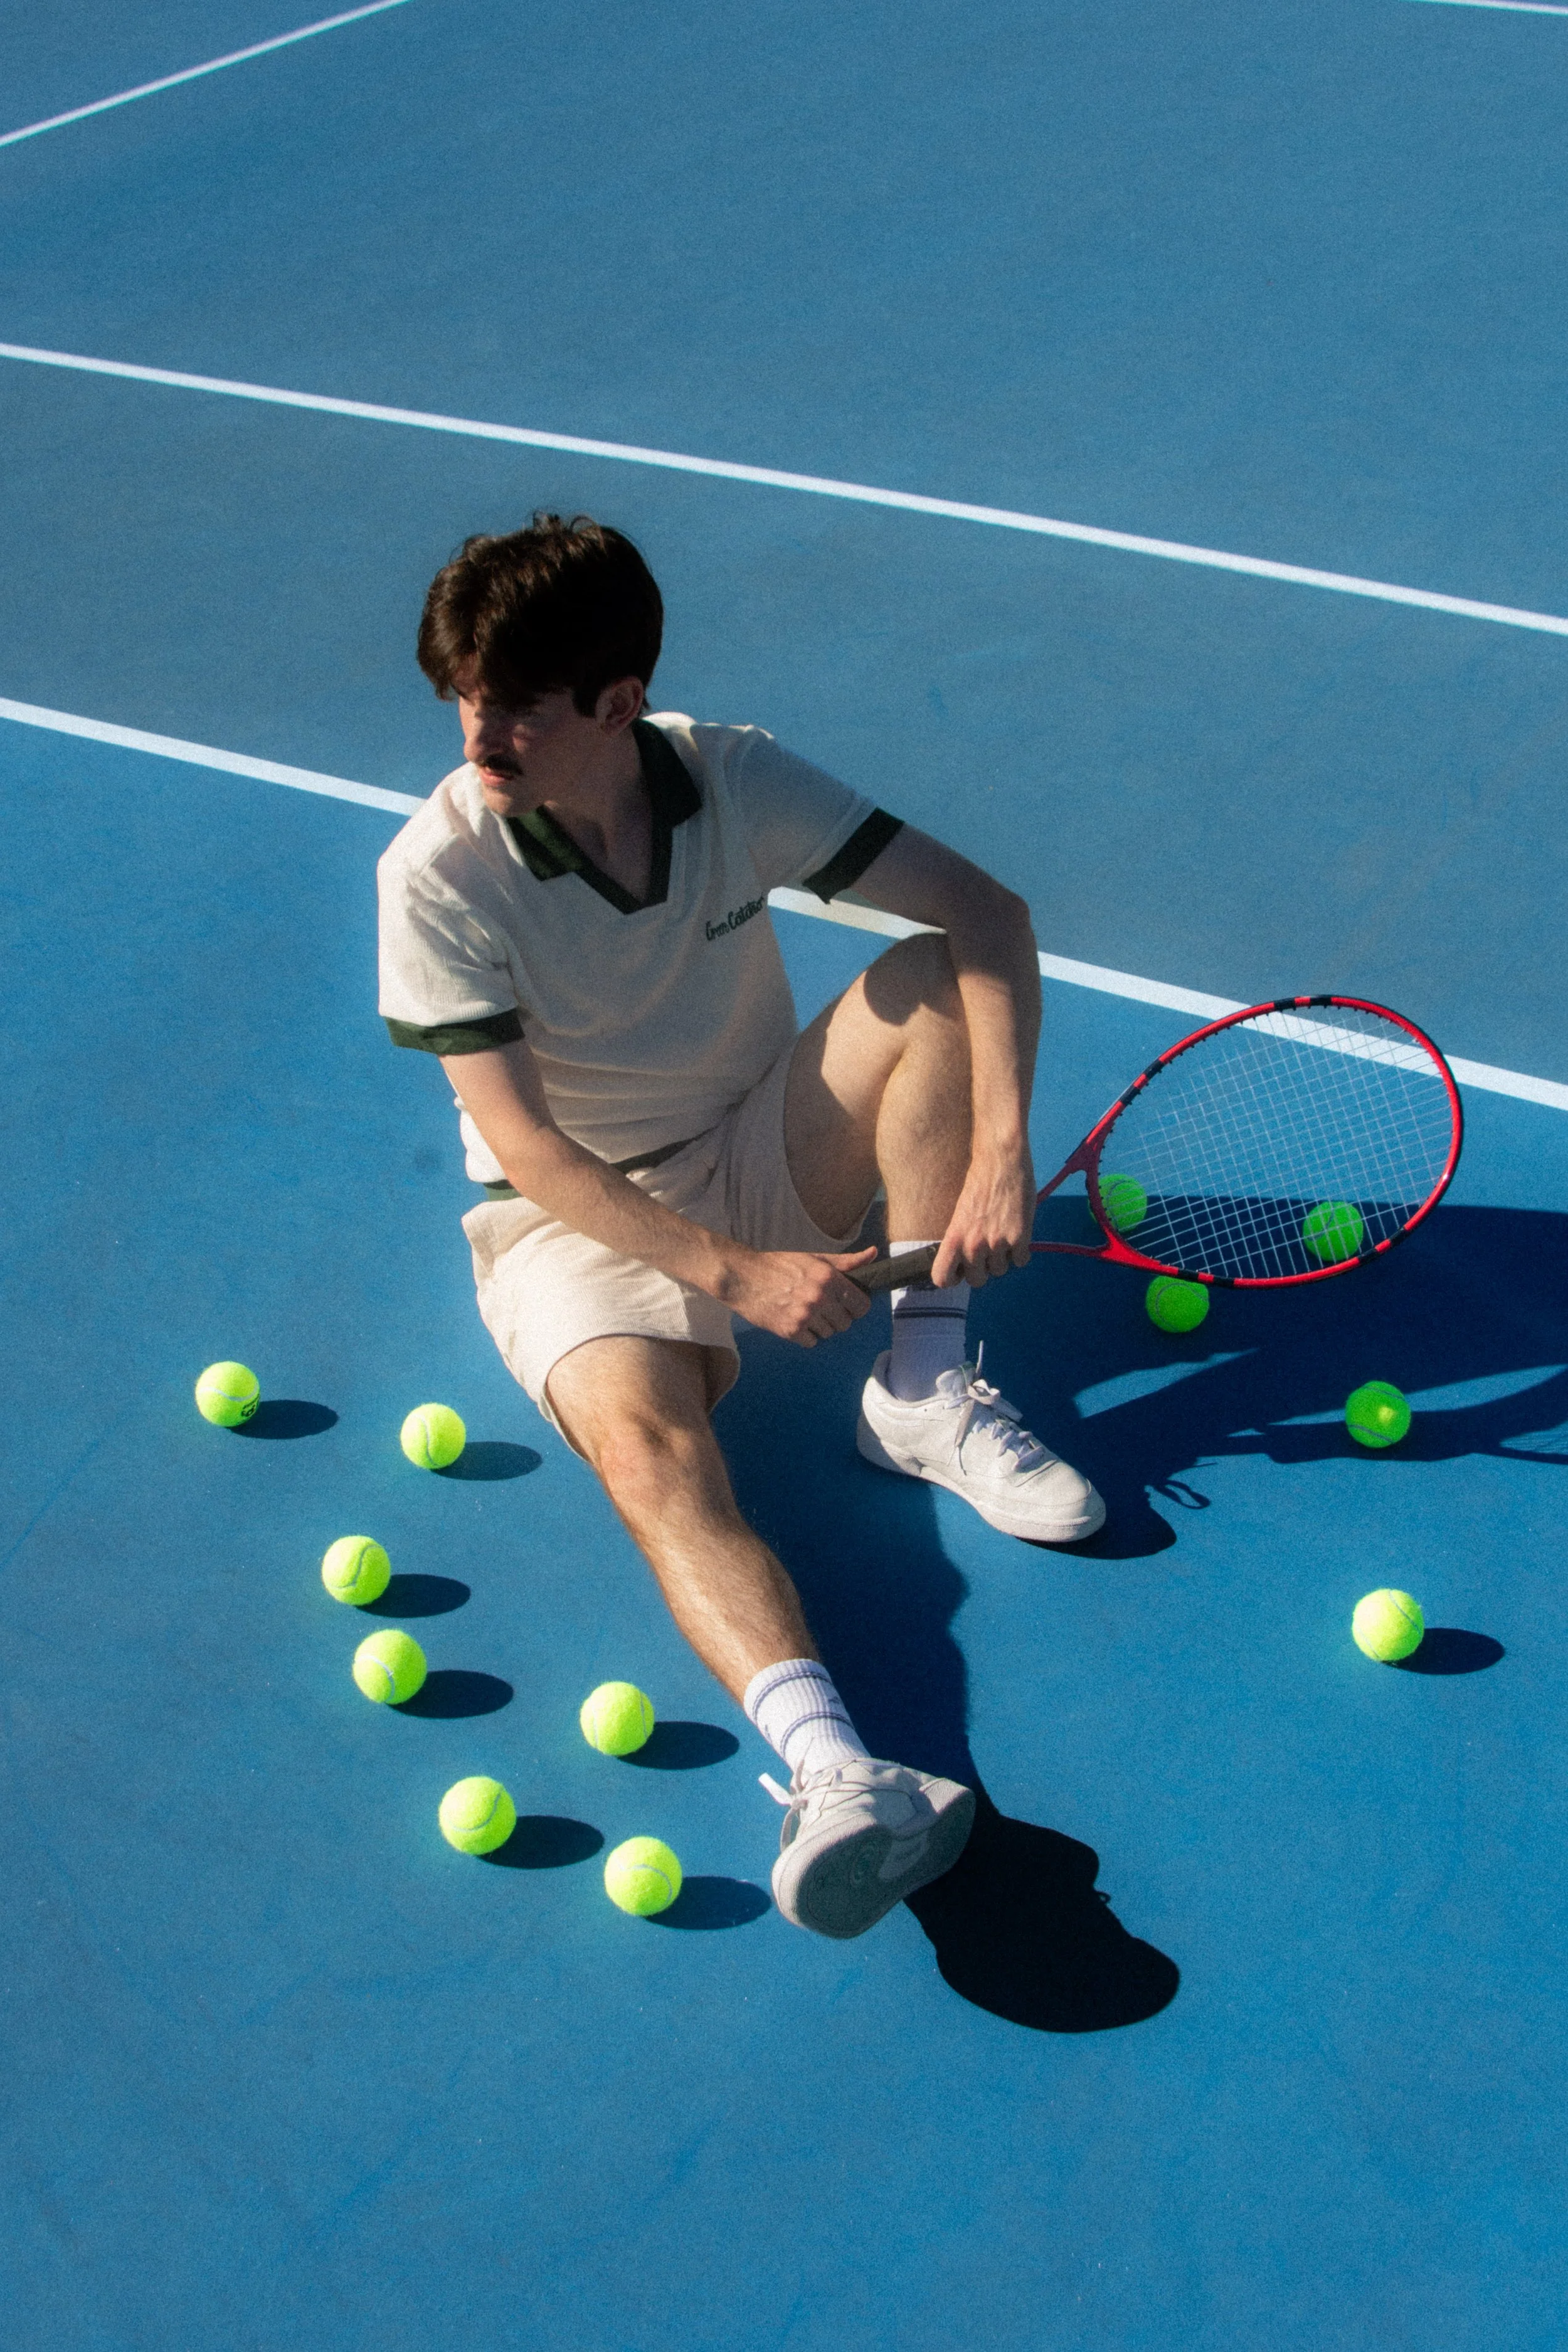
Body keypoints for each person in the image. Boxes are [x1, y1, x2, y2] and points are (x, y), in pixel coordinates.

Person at [378, 513, 1104, 1941]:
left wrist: (1002, 1162)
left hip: (763, 1133)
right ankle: (836, 1778)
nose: (481, 729)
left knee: (924, 980)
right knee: (652, 1455)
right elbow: (523, 1143)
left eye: (517, 701)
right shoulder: (436, 875)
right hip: (567, 1219)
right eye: (465, 695)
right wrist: (730, 1274)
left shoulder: (732, 778)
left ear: (617, 701)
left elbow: (985, 913)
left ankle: (918, 1385)